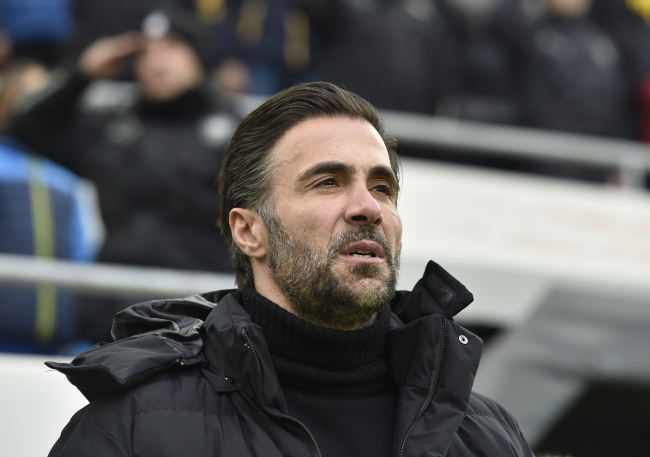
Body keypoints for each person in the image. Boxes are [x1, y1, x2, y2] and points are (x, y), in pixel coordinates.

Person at [46, 82, 534, 457]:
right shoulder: (133, 429)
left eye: (382, 188)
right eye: (328, 182)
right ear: (248, 231)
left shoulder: (487, 435)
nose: (368, 208)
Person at [8, 6, 240, 342]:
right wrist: (82, 72)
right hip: (113, 319)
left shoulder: (236, 135)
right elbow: (24, 125)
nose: (157, 61)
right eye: (145, 52)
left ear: (198, 56)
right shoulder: (112, 129)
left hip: (200, 320)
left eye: (171, 46)